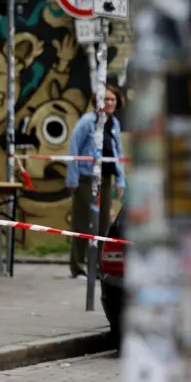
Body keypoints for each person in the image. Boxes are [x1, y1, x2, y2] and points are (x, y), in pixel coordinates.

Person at [65, 86, 125, 279]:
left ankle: (100, 267)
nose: (109, 103)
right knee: (82, 223)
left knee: (103, 226)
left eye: (112, 100)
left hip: (106, 179)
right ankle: (78, 267)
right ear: (97, 101)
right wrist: (72, 179)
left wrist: (120, 180)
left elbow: (118, 153)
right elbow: (74, 149)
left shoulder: (114, 123)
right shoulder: (87, 122)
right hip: (86, 179)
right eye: (106, 99)